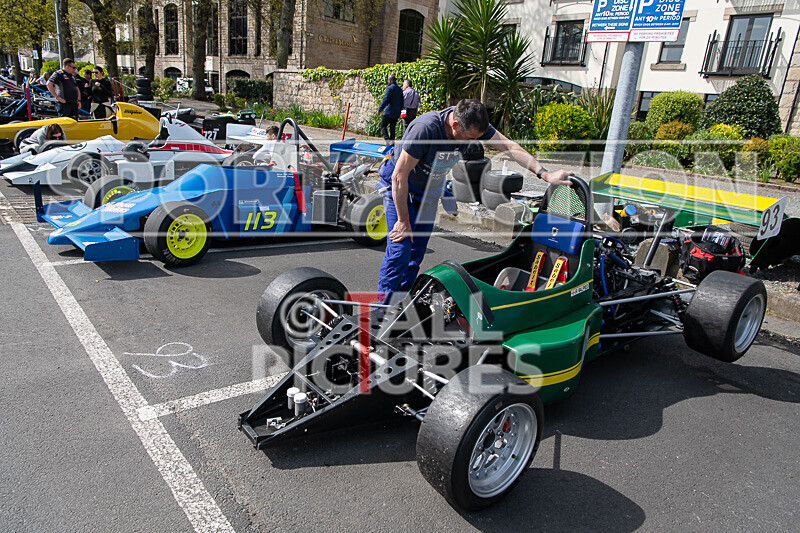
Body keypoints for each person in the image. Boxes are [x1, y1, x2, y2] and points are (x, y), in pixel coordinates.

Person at [376, 99, 574, 300]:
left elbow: (509, 146)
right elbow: (398, 177)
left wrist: (545, 174)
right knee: (400, 251)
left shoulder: (472, 122)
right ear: (455, 125)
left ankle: (399, 304)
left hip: (428, 190)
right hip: (401, 188)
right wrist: (403, 221)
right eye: (469, 138)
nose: (471, 142)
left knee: (415, 255)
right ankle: (381, 311)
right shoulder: (424, 129)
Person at [377, 74, 403, 144]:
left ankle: (388, 141)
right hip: (396, 112)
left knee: (383, 125)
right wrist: (400, 111)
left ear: (390, 80)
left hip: (388, 111)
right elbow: (402, 101)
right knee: (392, 128)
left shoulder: (389, 88)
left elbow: (386, 100)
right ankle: (392, 143)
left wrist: (380, 109)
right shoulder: (399, 89)